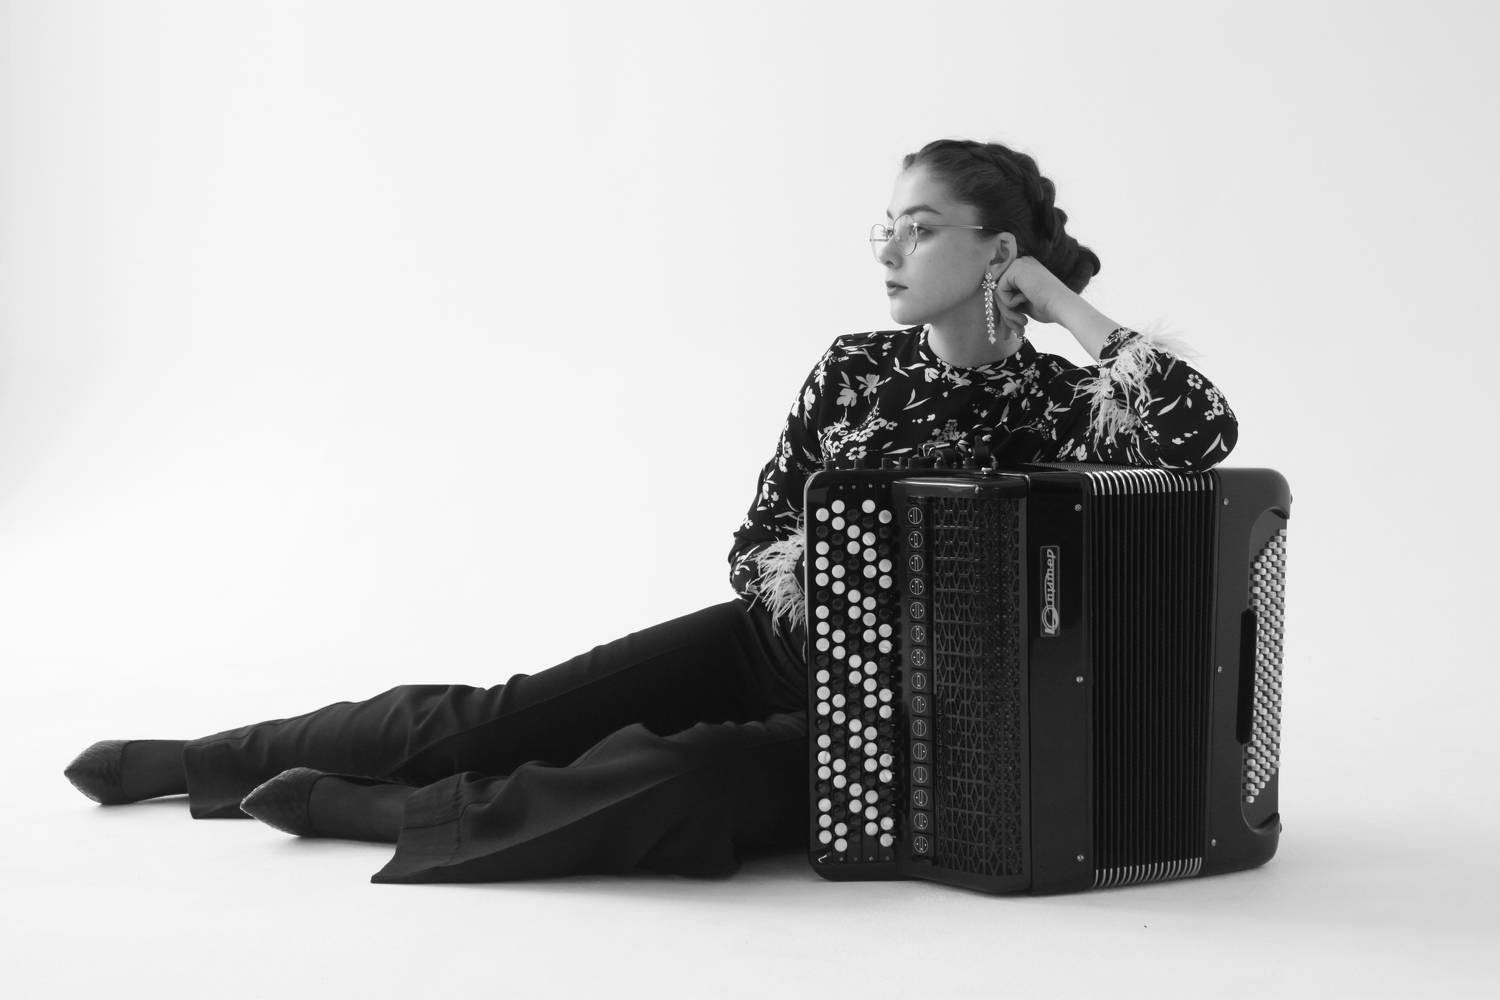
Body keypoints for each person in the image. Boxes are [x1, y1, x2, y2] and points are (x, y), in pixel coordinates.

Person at [62, 137, 1239, 885]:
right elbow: (754, 537)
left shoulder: (1066, 403)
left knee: (686, 784)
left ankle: (386, 816)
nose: (888, 247)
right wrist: (826, 579)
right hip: (782, 645)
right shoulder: (852, 367)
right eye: (884, 224)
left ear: (998, 251)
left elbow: (1203, 433)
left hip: (920, 725)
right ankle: (207, 760)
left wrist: (1059, 303)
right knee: (507, 713)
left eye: (920, 226)